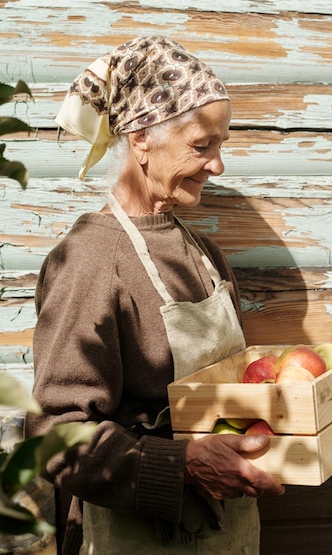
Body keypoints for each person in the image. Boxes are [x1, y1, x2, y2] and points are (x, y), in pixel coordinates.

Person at [25, 35, 285, 555]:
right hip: (135, 536)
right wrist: (184, 465)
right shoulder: (90, 261)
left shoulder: (203, 253)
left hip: (225, 531)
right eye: (201, 145)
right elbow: (55, 433)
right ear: (141, 138)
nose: (218, 165)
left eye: (221, 145)